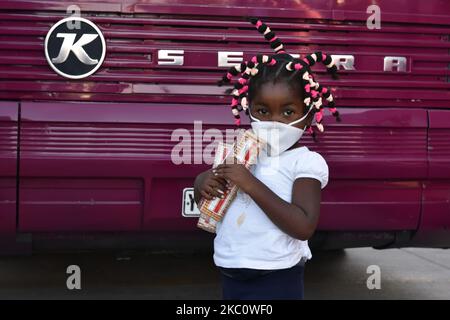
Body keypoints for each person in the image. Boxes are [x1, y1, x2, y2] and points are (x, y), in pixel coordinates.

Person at [194, 17, 341, 300]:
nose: (273, 122)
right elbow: (214, 197)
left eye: (287, 113)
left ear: (308, 116)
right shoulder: (243, 151)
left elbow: (303, 226)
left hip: (277, 274)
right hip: (231, 268)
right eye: (262, 111)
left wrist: (249, 183)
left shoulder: (306, 163)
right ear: (248, 109)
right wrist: (203, 182)